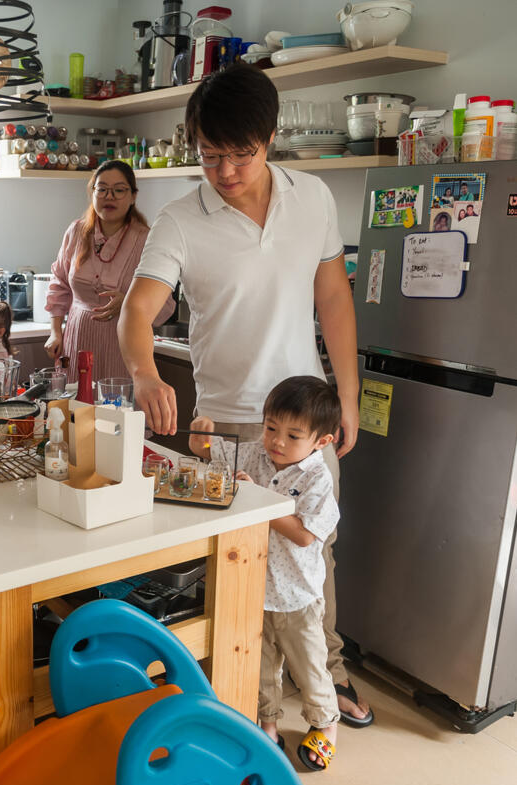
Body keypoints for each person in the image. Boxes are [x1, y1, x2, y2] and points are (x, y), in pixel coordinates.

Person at [117, 63, 371, 727]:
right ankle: (237, 685)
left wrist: (348, 396)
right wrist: (144, 372)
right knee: (232, 560)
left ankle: (327, 672)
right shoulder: (177, 219)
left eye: (241, 154)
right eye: (209, 155)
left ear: (270, 138)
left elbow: (334, 298)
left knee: (312, 550)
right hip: (229, 427)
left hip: (307, 419)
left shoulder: (312, 196)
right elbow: (136, 311)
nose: (225, 171)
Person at [190, 376, 342, 770]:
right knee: (260, 668)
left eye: (293, 435)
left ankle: (325, 725)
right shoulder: (256, 453)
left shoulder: (317, 478)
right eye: (271, 427)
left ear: (321, 442)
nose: (276, 441)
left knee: (309, 668)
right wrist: (200, 435)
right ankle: (269, 726)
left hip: (297, 597)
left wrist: (257, 499)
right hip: (255, 588)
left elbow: (306, 535)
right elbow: (206, 450)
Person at [44, 160, 174, 382]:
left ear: (133, 196)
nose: (109, 196)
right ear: (92, 193)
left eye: (119, 190)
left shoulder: (147, 240)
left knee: (117, 409)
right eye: (102, 189)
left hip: (124, 341)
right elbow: (60, 284)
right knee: (77, 407)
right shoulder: (76, 232)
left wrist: (130, 302)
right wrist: (56, 332)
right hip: (78, 337)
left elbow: (165, 304)